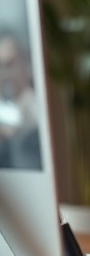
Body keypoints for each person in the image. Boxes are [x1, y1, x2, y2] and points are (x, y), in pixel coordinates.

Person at [0, 32, 41, 169]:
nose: (4, 73)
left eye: (9, 64)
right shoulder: (4, 106)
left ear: (25, 62)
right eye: (0, 66)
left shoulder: (37, 106)